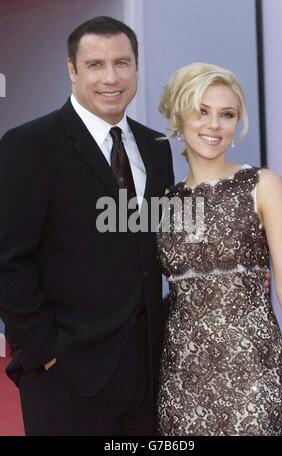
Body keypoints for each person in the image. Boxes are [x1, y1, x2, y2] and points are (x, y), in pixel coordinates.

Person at [0, 16, 174, 436]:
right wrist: (44, 351)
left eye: (122, 63)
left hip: (148, 374)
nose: (111, 77)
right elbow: (8, 259)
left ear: (136, 67)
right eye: (95, 65)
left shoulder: (156, 147)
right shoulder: (30, 145)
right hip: (66, 375)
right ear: (72, 70)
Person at [156, 62, 282, 435]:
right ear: (179, 115)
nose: (214, 125)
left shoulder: (262, 185)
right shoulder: (165, 201)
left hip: (255, 373)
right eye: (201, 112)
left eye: (227, 114)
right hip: (181, 380)